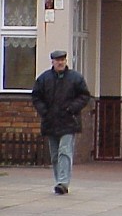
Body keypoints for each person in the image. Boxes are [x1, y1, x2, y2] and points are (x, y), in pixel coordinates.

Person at [32, 50, 91, 195]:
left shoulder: (75, 78)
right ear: (52, 62)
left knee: (65, 151)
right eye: (57, 60)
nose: (60, 63)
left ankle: (63, 182)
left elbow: (84, 95)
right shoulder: (44, 79)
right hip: (51, 121)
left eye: (62, 60)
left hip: (68, 120)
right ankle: (59, 180)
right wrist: (44, 111)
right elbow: (36, 97)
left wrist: (72, 108)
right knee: (54, 154)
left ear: (66, 61)